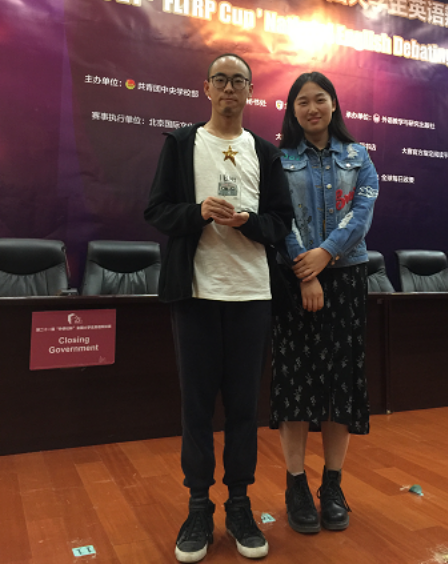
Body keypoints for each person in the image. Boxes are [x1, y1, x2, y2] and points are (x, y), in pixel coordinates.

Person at [145, 54, 293, 563]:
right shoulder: (181, 143)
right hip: (196, 296)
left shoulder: (266, 154)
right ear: (206, 88)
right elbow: (157, 210)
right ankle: (198, 508)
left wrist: (249, 222)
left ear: (251, 91)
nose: (230, 89)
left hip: (252, 296)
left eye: (239, 81)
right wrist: (197, 212)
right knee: (196, 408)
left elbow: (281, 223)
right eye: (221, 80)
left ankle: (240, 506)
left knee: (245, 409)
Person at [271, 71, 379, 535]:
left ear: (334, 104)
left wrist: (326, 254)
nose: (312, 108)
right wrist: (307, 269)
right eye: (302, 102)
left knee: (340, 381)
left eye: (320, 99)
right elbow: (280, 217)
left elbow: (362, 214)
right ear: (292, 110)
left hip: (347, 275)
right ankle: (296, 484)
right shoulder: (279, 160)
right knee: (295, 380)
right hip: (295, 277)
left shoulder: (359, 157)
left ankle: (332, 485)